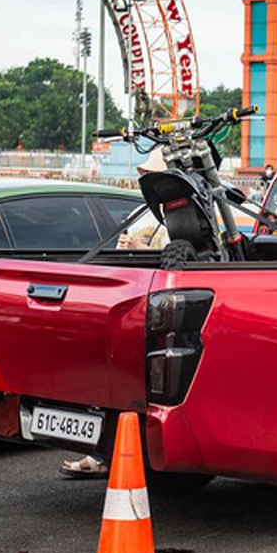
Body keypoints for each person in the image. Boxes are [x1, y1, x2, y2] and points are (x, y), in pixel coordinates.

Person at [60, 148, 169, 479]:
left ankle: (117, 455)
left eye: (150, 174)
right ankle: (104, 454)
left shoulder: (177, 214)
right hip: (130, 301)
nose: (144, 179)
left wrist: (139, 250)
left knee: (134, 389)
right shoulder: (145, 210)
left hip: (151, 305)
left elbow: (179, 257)